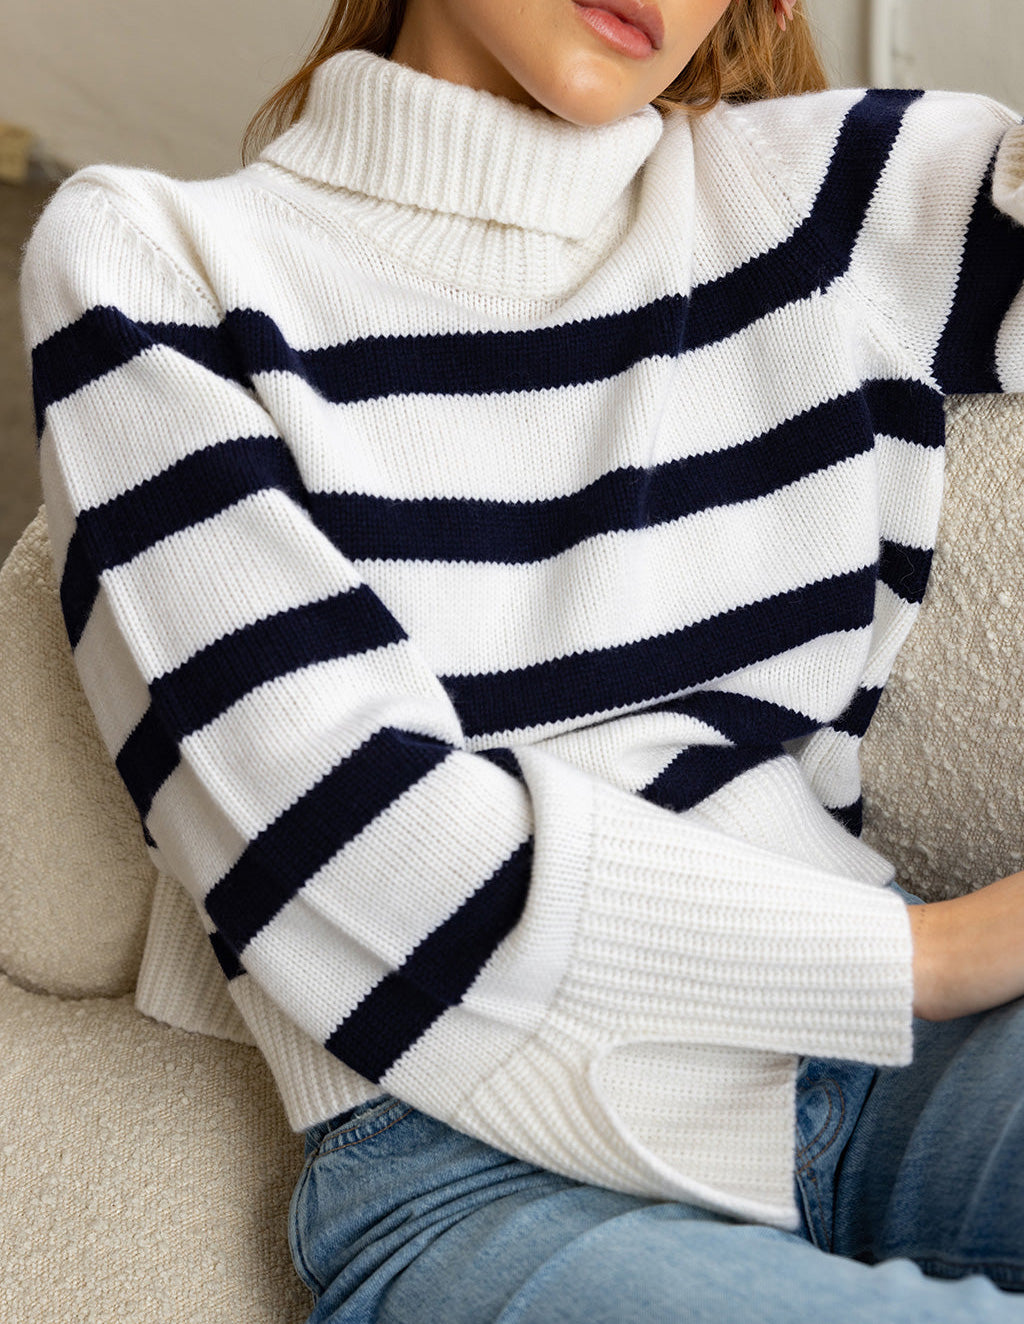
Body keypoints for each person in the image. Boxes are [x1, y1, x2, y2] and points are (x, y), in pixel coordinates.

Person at [19, 0, 1024, 1317]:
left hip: (896, 1076)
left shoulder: (823, 193)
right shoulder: (153, 265)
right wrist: (930, 960)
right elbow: (349, 833)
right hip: (472, 1166)